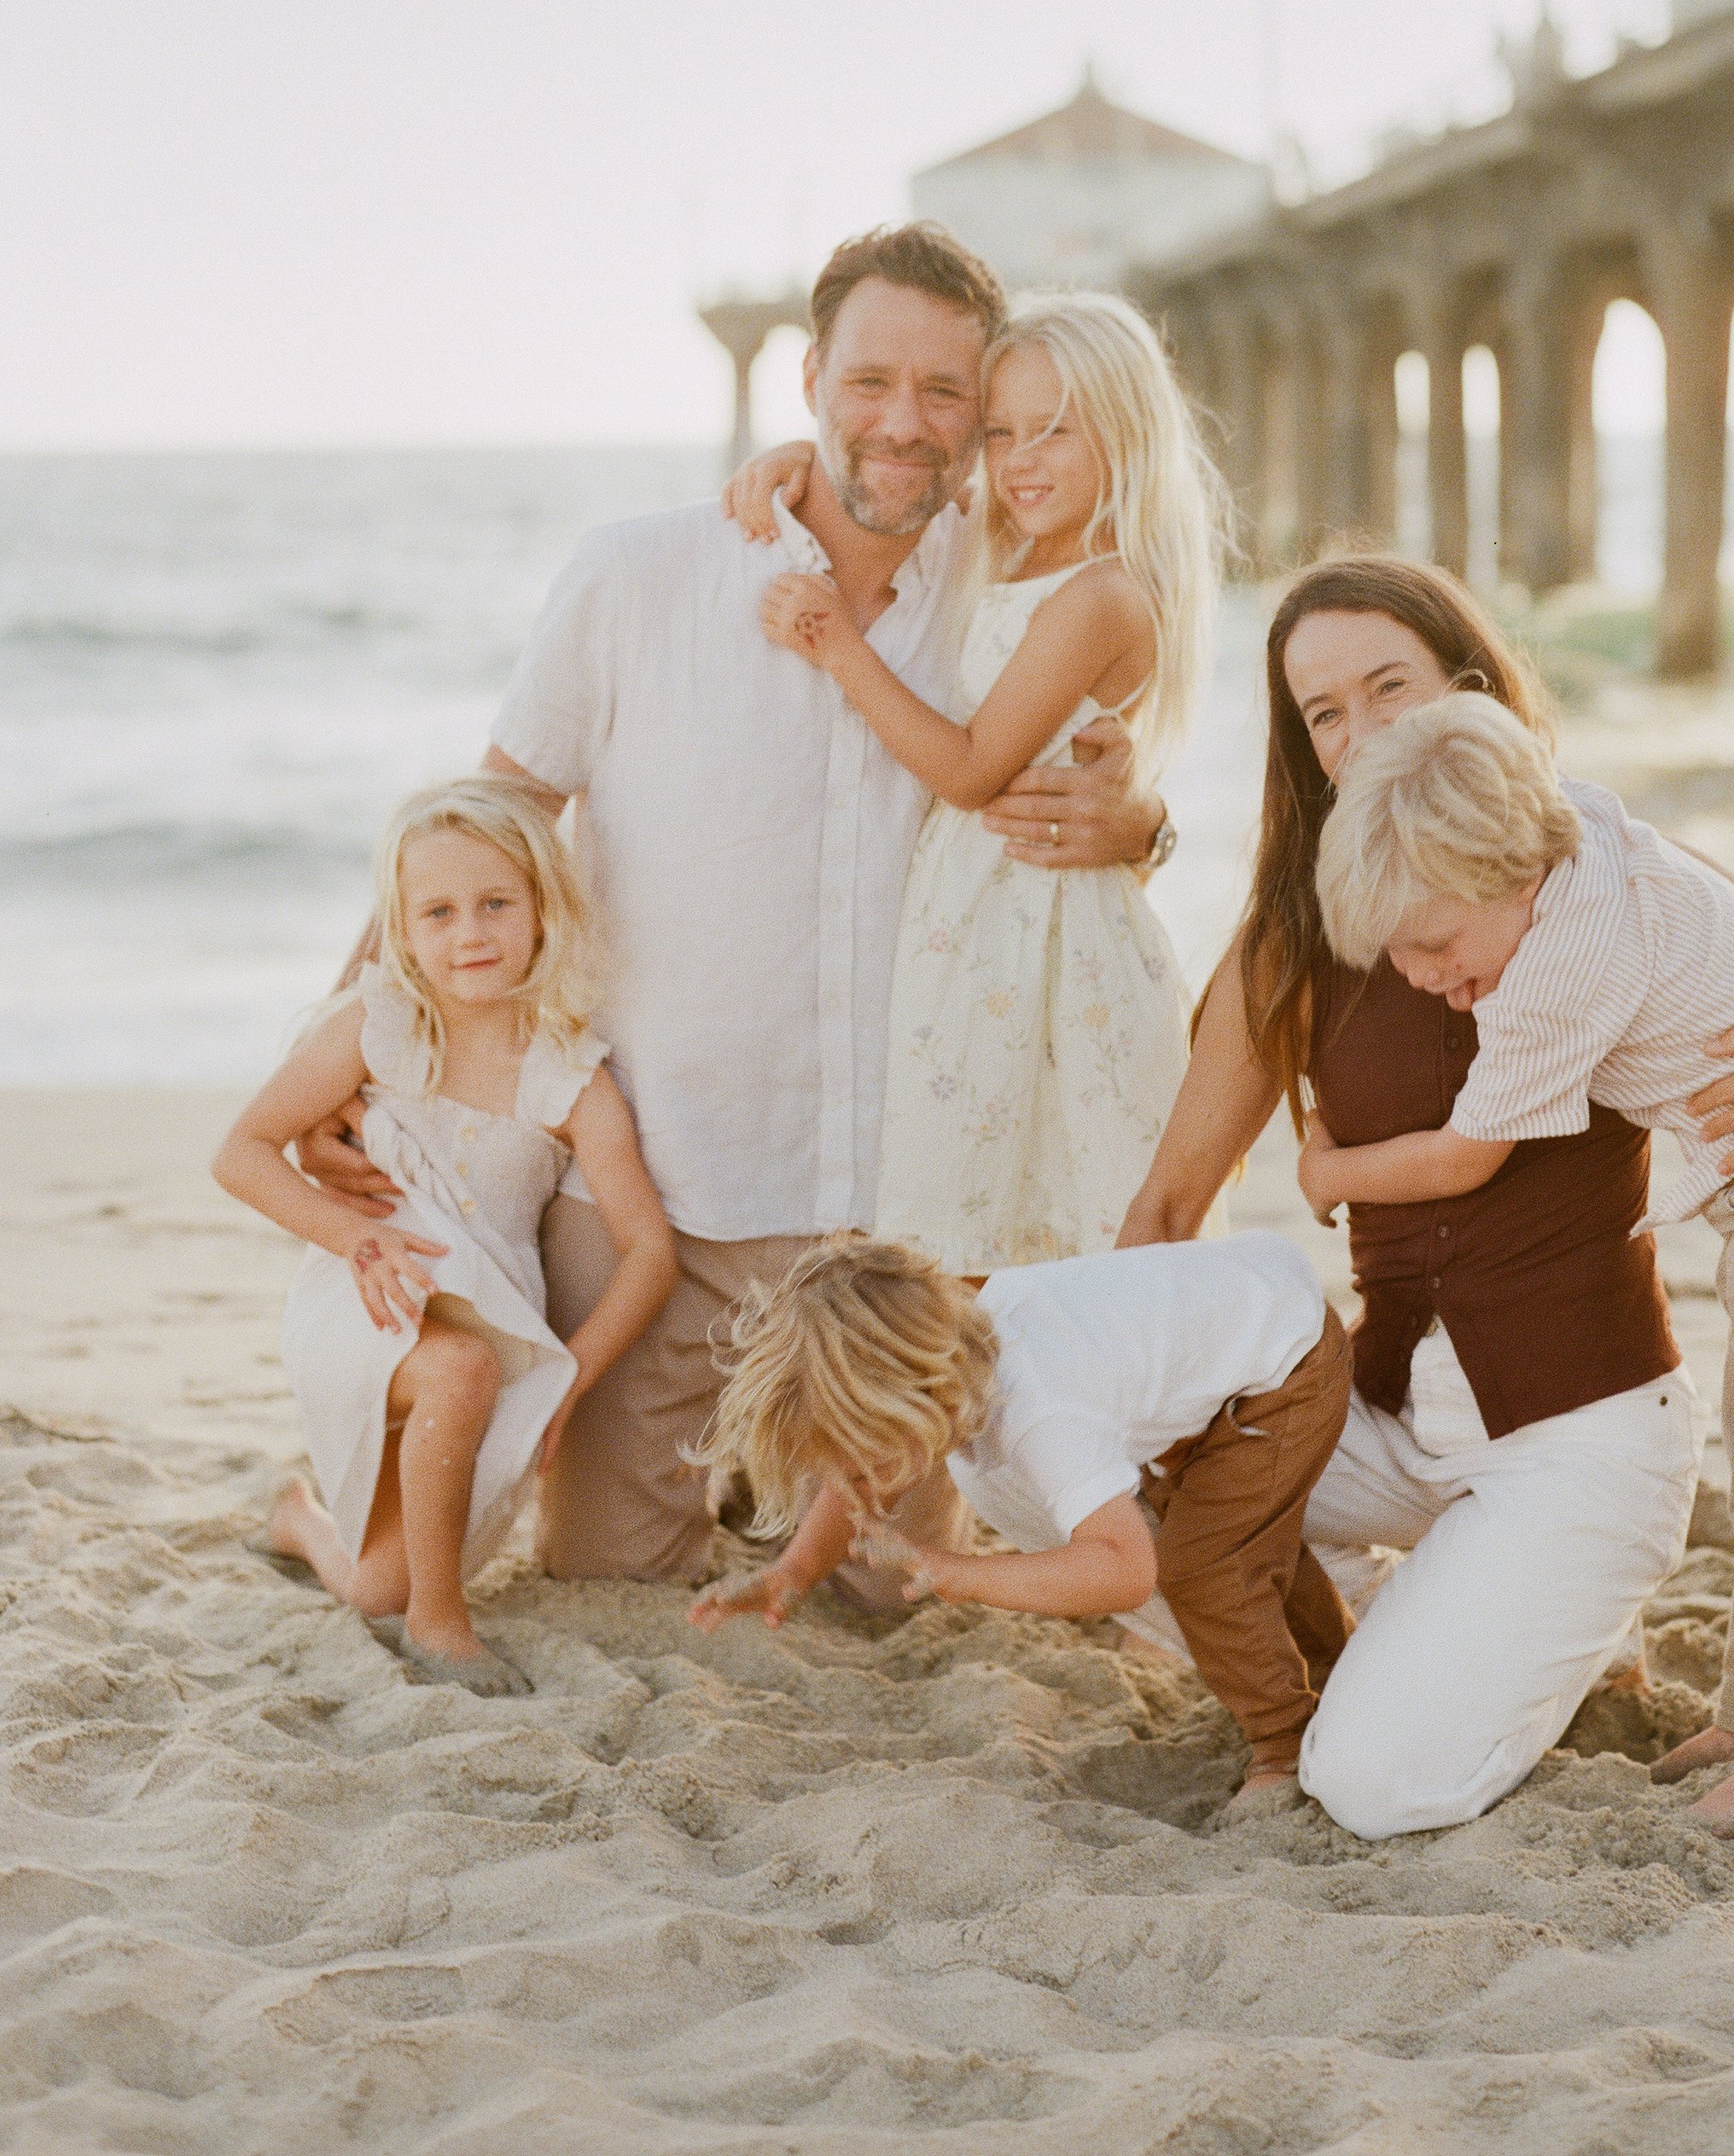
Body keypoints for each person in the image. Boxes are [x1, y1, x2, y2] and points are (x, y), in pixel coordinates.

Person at [293, 224, 1168, 1587]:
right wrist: (341, 1050)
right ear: (809, 378)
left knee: (885, 1597)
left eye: (946, 393)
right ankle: (323, 1506)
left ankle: (786, 1492)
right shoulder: (638, 575)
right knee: (604, 1573)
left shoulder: (1003, 588)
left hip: (899, 1217)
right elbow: (486, 822)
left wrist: (1146, 828)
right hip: (664, 1189)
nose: (904, 422)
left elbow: (1089, 766)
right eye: (869, 381)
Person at [1113, 555, 1734, 1842]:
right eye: (1323, 712)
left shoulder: (1587, 887)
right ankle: (1445, 1636)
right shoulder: (1300, 935)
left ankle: (1708, 1705)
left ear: (1468, 692)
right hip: (1397, 1411)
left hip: (1586, 1410)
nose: (1360, 731)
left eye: (1388, 686)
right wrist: (1124, 1398)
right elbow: (1171, 1208)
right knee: (1074, 1451)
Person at [1314, 692, 1734, 1837]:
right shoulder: (1579, 829)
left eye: (1435, 944)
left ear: (1508, 872)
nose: (1420, 975)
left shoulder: (1561, 970)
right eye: (1397, 951)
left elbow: (1462, 1157)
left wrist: (1324, 1168)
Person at [755, 292, 1225, 1274]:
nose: (1018, 461)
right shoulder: (1015, 547)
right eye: (1000, 432)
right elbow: (895, 481)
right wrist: (795, 458)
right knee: (974, 1221)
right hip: (981, 925)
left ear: (1128, 433)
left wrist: (838, 646)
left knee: (1046, 1236)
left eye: (1054, 432)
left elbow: (971, 770)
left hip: (1042, 940)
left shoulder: (1099, 593)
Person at [213, 778, 677, 1690]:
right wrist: (355, 1238)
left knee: (375, 1587)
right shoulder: (378, 1027)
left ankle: (300, 1520)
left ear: (541, 910)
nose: (470, 933)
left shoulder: (569, 1080)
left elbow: (651, 1252)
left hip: (488, 1322)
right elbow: (241, 1153)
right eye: (439, 912)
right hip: (364, 1295)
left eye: (496, 903)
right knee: (456, 1370)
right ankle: (442, 1624)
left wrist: (573, 1375)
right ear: (402, 927)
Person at [690, 1231, 1353, 1812]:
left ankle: (1284, 1746)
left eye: (864, 1467)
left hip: (1284, 1359)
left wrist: (963, 1574)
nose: (852, 1488)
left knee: (1205, 1569)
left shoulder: (1041, 1414)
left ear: (921, 1400)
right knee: (1236, 1544)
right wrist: (795, 1569)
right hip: (1242, 1322)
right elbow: (857, 1481)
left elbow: (1125, 1570)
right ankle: (1337, 1673)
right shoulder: (956, 1361)